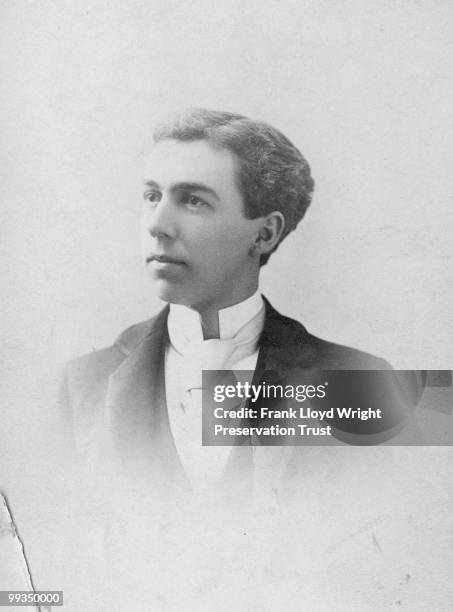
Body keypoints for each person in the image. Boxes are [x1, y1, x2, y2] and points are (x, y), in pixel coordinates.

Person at [60, 108, 418, 502]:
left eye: (193, 200)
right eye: (151, 196)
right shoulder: (82, 386)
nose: (157, 225)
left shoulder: (362, 382)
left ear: (265, 233)